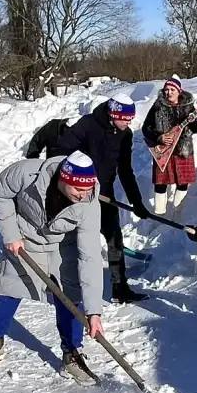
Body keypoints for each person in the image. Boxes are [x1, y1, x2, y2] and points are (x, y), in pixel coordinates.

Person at [0, 151, 105, 386]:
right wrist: (11, 234)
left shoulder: (89, 202)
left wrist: (94, 311)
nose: (83, 196)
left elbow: (90, 255)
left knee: (70, 295)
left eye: (87, 190)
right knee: (9, 285)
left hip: (62, 246)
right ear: (64, 179)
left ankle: (72, 354)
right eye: (78, 190)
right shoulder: (27, 173)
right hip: (26, 240)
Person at [52, 93, 150, 303]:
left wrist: (137, 201)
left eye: (130, 118)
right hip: (79, 195)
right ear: (113, 113)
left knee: (115, 238)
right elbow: (60, 151)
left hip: (105, 193)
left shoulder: (125, 135)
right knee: (77, 242)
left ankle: (120, 288)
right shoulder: (88, 125)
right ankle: (70, 286)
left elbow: (125, 169)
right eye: (125, 118)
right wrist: (74, 182)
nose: (128, 122)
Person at [141, 75, 197, 215]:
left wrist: (192, 119)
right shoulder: (157, 106)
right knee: (160, 183)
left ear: (179, 91)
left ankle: (178, 211)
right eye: (166, 89)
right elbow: (146, 129)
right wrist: (159, 137)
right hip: (163, 151)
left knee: (183, 182)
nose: (169, 92)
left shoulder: (188, 106)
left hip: (183, 150)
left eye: (172, 89)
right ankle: (159, 213)